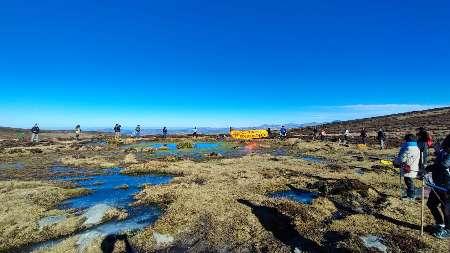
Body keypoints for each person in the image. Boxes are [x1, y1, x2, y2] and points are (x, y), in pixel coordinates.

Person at [425, 134, 450, 239]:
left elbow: (444, 165)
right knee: (431, 204)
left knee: (446, 209)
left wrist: (440, 152)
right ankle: (440, 223)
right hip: (437, 184)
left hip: (447, 186)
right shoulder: (443, 152)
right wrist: (427, 168)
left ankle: (448, 230)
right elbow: (438, 165)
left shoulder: (446, 153)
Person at [394, 134, 421, 200]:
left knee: (409, 182)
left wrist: (395, 161)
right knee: (410, 181)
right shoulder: (416, 148)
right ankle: (412, 194)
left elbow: (402, 159)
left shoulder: (408, 148)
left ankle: (411, 196)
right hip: (413, 167)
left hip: (408, 168)